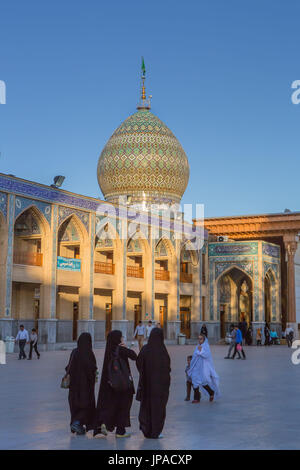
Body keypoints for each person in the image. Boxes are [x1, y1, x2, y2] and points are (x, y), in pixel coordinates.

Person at [94, 330, 137, 438]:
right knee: (123, 405)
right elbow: (134, 356)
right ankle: (120, 431)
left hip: (111, 384)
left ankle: (104, 422)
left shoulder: (108, 350)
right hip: (122, 384)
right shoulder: (121, 349)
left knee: (111, 405)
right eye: (121, 337)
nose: (122, 339)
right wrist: (125, 347)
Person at [136, 328, 171, 438]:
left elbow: (139, 363)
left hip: (147, 385)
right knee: (158, 408)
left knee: (147, 406)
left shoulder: (146, 349)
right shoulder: (162, 351)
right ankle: (156, 431)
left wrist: (145, 373)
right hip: (160, 387)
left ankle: (147, 429)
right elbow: (168, 368)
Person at [65, 332, 97, 435]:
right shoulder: (88, 353)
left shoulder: (74, 352)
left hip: (74, 386)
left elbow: (68, 367)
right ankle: (77, 422)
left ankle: (78, 425)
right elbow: (91, 368)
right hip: (85, 386)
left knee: (75, 405)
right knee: (86, 405)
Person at [188, 333, 220, 403]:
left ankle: (211, 392)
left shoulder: (206, 346)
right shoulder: (198, 346)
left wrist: (200, 351)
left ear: (204, 339)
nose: (199, 340)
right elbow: (195, 356)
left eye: (201, 339)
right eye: (198, 339)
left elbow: (207, 355)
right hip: (196, 367)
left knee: (203, 382)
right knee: (195, 381)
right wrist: (191, 364)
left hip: (203, 368)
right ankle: (197, 398)